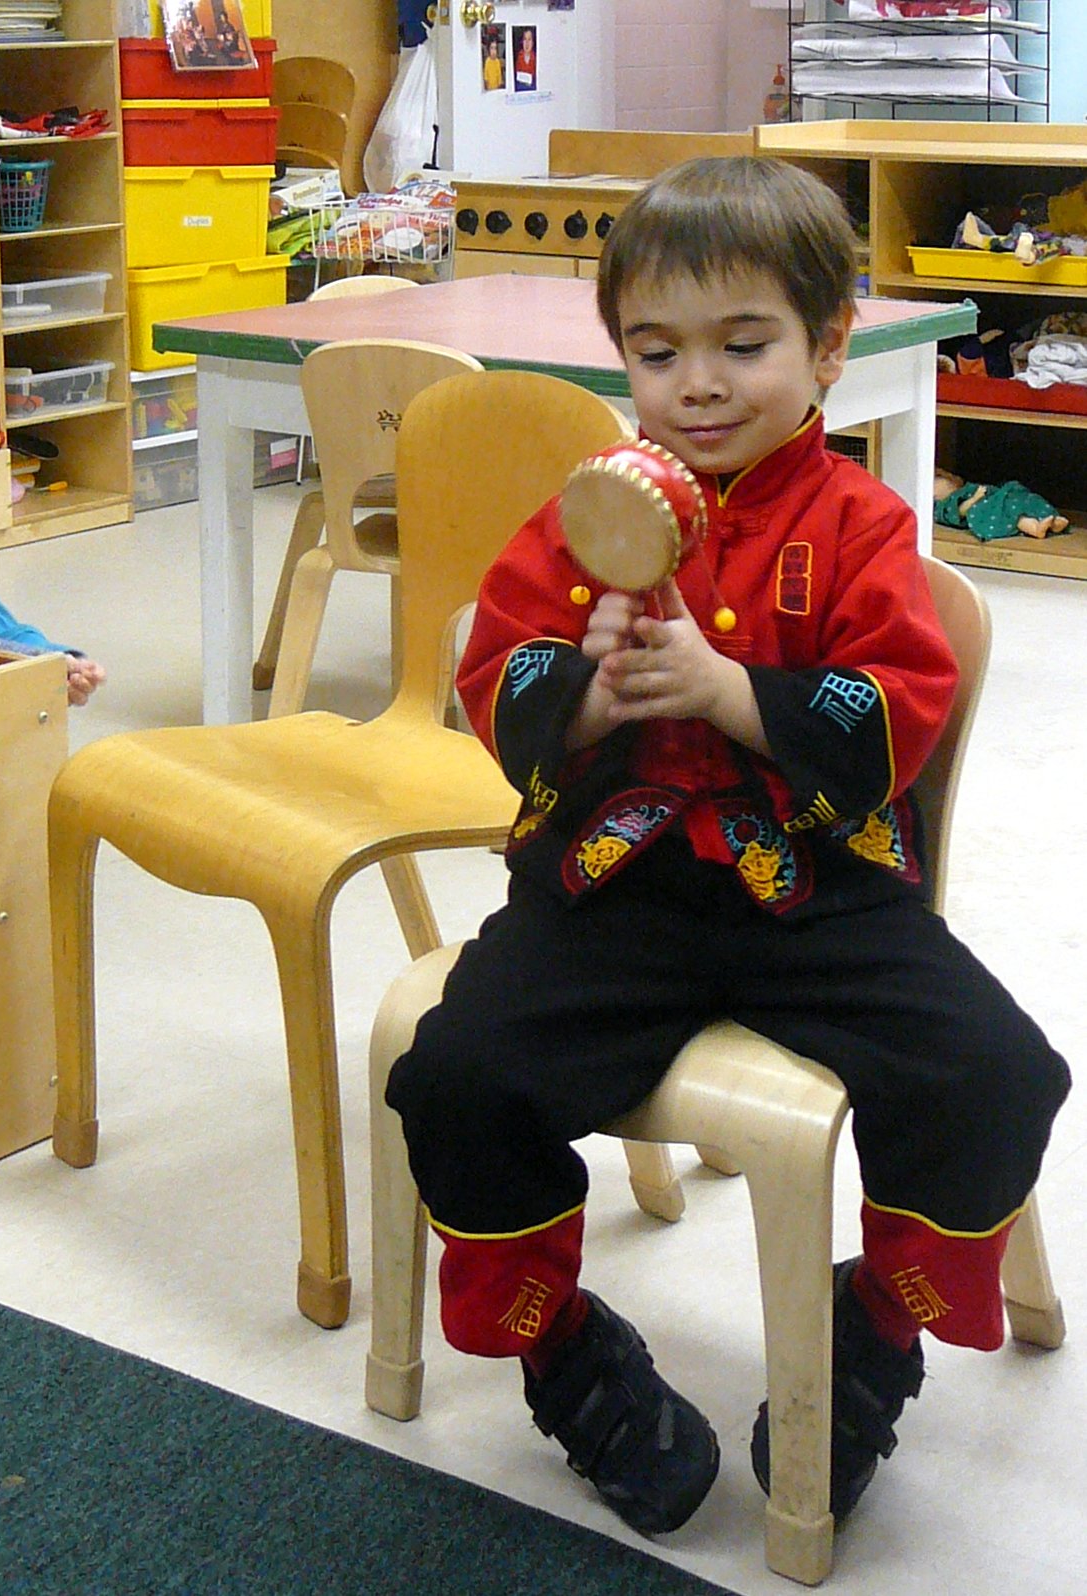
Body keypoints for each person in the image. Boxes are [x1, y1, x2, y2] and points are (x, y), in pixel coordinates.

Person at [384, 157, 1071, 1537]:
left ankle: (875, 1331)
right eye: (657, 353)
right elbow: (493, 677)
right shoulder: (581, 521)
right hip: (614, 892)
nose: (697, 385)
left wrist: (726, 691)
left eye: (743, 345)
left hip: (820, 897)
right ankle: (561, 1348)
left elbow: (898, 710)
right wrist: (584, 695)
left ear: (828, 348)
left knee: (1000, 1074)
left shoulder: (862, 524)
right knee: (456, 1077)